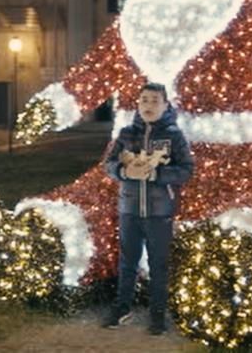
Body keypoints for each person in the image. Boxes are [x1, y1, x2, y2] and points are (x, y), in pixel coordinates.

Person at [102, 82, 194, 335]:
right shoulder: (126, 133)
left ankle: (157, 315)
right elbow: (108, 164)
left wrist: (157, 174)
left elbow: (187, 170)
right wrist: (123, 171)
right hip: (129, 210)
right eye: (144, 100)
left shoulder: (174, 135)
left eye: (155, 100)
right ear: (138, 104)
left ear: (165, 105)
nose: (148, 105)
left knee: (159, 265)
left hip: (159, 212)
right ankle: (122, 309)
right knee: (127, 263)